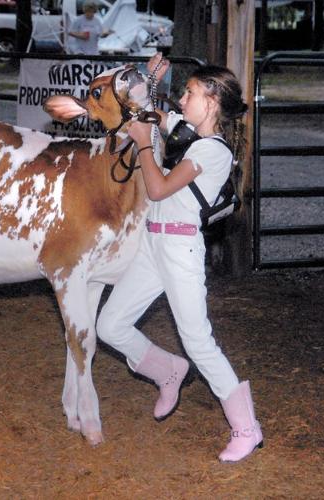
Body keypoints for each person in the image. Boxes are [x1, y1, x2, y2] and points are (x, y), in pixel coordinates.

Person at [97, 53, 263, 462]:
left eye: (190, 93)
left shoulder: (214, 152)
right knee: (110, 325)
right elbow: (152, 113)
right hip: (153, 246)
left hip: (179, 250)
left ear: (211, 101)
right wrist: (147, 81)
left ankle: (247, 428)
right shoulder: (188, 131)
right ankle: (167, 371)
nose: (183, 99)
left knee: (198, 341)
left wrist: (143, 147)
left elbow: (157, 189)